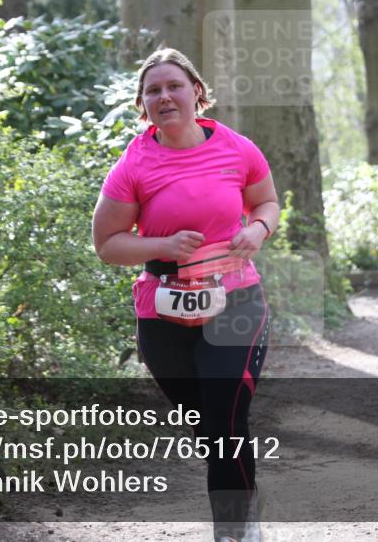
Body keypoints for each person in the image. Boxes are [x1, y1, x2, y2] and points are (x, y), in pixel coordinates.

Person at [92, 48, 279, 542]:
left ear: (197, 90)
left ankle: (234, 531)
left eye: (173, 85)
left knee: (223, 414)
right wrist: (163, 245)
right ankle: (244, 498)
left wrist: (258, 229)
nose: (164, 96)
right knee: (209, 427)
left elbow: (266, 202)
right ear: (143, 104)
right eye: (153, 90)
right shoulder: (134, 164)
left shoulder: (236, 148)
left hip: (235, 302)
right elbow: (107, 245)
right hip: (162, 312)